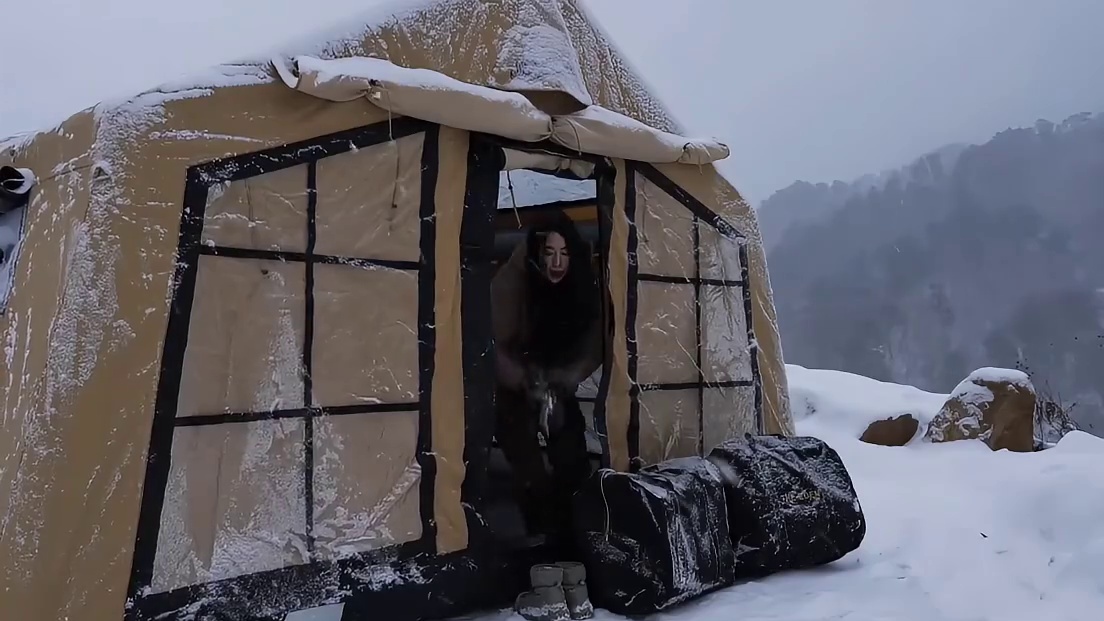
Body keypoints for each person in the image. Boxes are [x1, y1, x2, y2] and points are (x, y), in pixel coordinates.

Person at [491, 211, 603, 550]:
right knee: (529, 468)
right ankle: (539, 542)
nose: (557, 262)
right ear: (537, 253)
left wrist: (567, 376)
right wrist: (523, 380)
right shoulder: (511, 283)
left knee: (571, 458)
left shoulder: (582, 286)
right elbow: (489, 344)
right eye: (549, 252)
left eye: (564, 253)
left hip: (556, 382)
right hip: (512, 386)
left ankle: (579, 538)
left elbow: (595, 339)